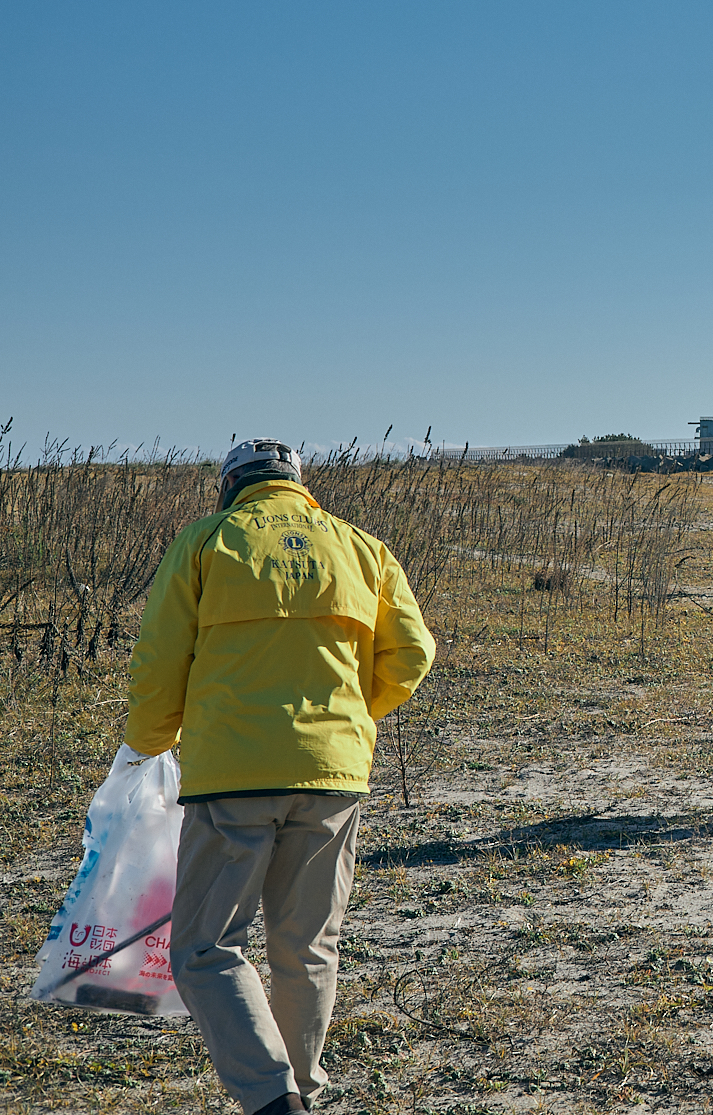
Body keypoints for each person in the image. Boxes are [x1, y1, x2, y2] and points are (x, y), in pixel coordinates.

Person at [124, 438, 436, 1115]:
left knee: (208, 946)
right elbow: (413, 652)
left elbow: (159, 658)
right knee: (307, 946)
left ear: (230, 485)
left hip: (230, 777)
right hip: (334, 775)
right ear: (299, 482)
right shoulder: (362, 546)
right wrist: (349, 717)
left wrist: (146, 744)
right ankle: (303, 1090)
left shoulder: (206, 542)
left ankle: (272, 1100)